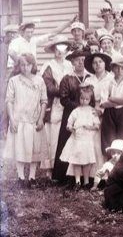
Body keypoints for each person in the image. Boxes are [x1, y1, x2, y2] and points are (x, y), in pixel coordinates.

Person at [4, 54, 50, 187]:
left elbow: (44, 101)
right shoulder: (14, 81)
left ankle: (32, 177)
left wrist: (41, 118)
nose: (25, 68)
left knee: (34, 149)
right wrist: (12, 119)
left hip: (34, 120)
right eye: (22, 65)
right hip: (19, 120)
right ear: (19, 66)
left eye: (28, 65)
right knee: (20, 148)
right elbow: (9, 101)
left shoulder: (39, 80)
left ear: (33, 65)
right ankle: (20, 176)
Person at [53, 48, 92, 182]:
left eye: (83, 60)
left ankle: (85, 176)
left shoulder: (90, 77)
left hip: (87, 115)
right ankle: (64, 176)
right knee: (68, 143)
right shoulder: (67, 78)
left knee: (85, 143)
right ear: (72, 63)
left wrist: (87, 109)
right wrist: (79, 107)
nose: (81, 63)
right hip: (71, 114)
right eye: (77, 60)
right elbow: (64, 99)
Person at [40, 38, 73, 174]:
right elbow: (48, 86)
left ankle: (63, 167)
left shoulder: (69, 65)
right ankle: (50, 168)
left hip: (67, 103)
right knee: (53, 135)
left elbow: (73, 82)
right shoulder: (49, 65)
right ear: (54, 51)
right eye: (57, 50)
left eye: (63, 50)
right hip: (54, 103)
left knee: (65, 131)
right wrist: (63, 91)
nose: (60, 53)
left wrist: (68, 92)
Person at [59, 83, 100, 189]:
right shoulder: (76, 111)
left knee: (86, 161)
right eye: (82, 98)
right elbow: (69, 123)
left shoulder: (92, 111)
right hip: (77, 139)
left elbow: (97, 125)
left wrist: (90, 127)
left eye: (86, 99)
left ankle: (86, 181)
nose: (84, 101)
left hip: (87, 140)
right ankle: (77, 181)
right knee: (76, 161)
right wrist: (70, 127)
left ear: (90, 100)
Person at [99, 55, 123, 155]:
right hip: (109, 113)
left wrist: (113, 98)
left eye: (122, 68)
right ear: (112, 69)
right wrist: (122, 100)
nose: (119, 70)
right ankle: (110, 164)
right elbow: (104, 104)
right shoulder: (107, 82)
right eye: (117, 67)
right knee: (109, 138)